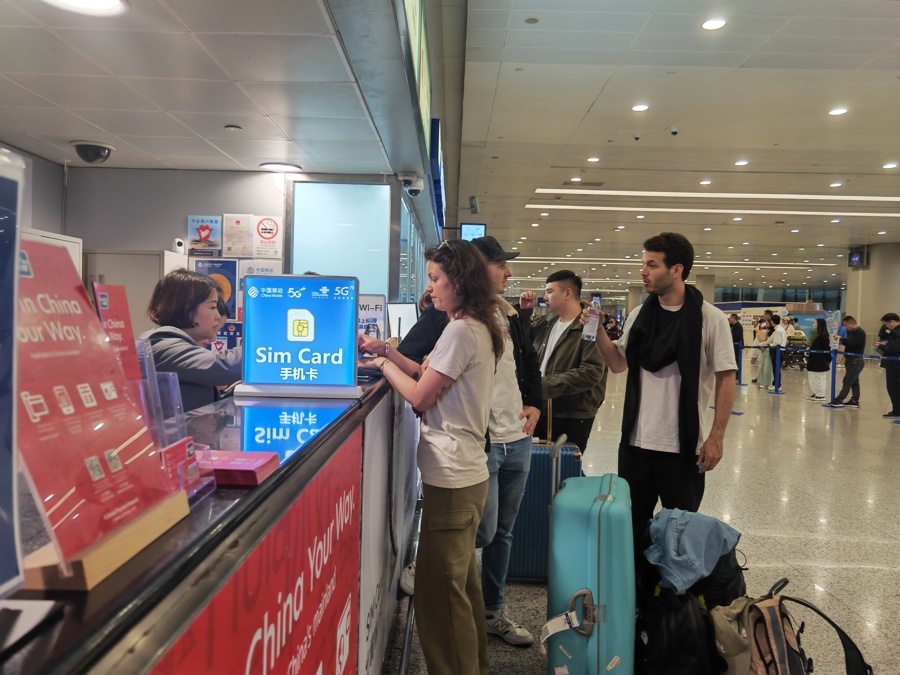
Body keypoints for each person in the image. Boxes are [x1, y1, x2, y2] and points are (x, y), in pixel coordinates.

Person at [358, 239, 502, 675]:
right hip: (464, 475)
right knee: (461, 588)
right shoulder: (474, 325)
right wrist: (387, 352)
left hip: (454, 478)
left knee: (440, 595)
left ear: (459, 280)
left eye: (436, 278)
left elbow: (420, 396)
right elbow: (428, 373)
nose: (429, 287)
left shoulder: (461, 330)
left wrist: (383, 368)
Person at [393, 235, 543, 646]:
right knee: (477, 536)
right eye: (500, 264)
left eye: (434, 278)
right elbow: (422, 367)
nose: (507, 272)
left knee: (497, 535)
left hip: (506, 441)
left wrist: (534, 401)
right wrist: (394, 359)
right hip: (478, 445)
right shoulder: (454, 320)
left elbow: (526, 362)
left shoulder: (497, 318)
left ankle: (491, 612)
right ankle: (437, 568)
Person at [587, 232, 737, 547]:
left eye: (652, 265)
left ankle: (670, 582)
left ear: (676, 270)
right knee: (631, 529)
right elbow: (617, 363)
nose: (643, 271)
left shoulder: (710, 319)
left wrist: (716, 436)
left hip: (683, 448)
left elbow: (726, 378)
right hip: (636, 444)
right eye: (644, 264)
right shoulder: (640, 315)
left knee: (678, 534)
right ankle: (635, 580)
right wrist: (598, 329)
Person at [519, 270, 607, 452]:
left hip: (572, 413)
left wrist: (543, 385)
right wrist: (525, 313)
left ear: (568, 293)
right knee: (540, 462)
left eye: (550, 291)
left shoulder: (589, 326)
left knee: (565, 463)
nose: (545, 297)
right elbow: (522, 341)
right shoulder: (547, 322)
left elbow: (591, 372)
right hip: (542, 407)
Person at [141, 269, 242, 412]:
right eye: (212, 307)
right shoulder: (160, 344)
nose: (218, 316)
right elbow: (222, 367)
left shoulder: (174, 343)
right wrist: (259, 346)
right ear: (187, 308)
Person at [826, 316, 866, 409]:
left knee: (847, 380)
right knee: (854, 381)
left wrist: (842, 338)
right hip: (851, 360)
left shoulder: (859, 332)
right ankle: (854, 400)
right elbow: (849, 343)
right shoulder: (853, 332)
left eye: (846, 325)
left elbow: (851, 344)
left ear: (852, 323)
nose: (845, 328)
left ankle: (840, 399)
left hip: (855, 360)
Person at [875, 312, 900, 418]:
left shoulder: (897, 332)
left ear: (892, 322)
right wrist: (886, 344)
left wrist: (882, 347)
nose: (886, 327)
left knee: (893, 387)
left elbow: (893, 348)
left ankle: (896, 411)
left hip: (895, 365)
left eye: (886, 324)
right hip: (894, 363)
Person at [758, 315, 787, 391]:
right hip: (781, 351)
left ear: (772, 321)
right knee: (776, 368)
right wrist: (762, 344)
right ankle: (775, 384)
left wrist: (767, 345)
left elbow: (776, 343)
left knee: (776, 369)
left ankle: (778, 385)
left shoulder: (778, 330)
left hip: (777, 351)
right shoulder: (779, 329)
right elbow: (769, 340)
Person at [806, 318, 831, 402]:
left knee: (819, 378)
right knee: (813, 378)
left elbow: (826, 349)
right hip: (814, 360)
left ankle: (821, 395)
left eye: (815, 323)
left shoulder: (823, 336)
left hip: (820, 361)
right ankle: (815, 392)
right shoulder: (817, 335)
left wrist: (829, 359)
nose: (814, 324)